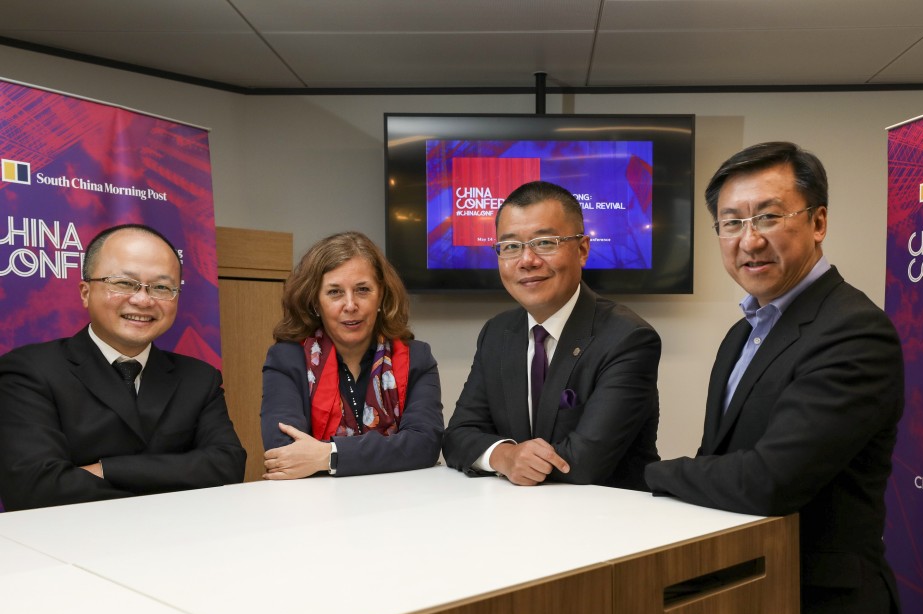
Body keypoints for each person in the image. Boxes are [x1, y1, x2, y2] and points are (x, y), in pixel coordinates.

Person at [645, 142, 906, 614]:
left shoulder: (854, 330)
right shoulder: (743, 333)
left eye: (768, 216)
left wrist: (649, 474)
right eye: (731, 222)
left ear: (818, 222)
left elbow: (771, 480)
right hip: (746, 595)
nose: (750, 239)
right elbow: (719, 459)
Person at [0, 224, 246, 511]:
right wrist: (170, 483)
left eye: (161, 287)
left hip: (181, 543)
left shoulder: (199, 378)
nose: (142, 299)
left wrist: (107, 469)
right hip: (68, 546)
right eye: (123, 283)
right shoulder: (29, 371)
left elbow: (226, 465)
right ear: (85, 292)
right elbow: (35, 487)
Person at [443, 180, 660, 490]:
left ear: (583, 249)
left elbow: (585, 463)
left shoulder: (628, 338)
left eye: (545, 243)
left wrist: (510, 458)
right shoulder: (497, 332)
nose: (527, 260)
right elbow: (457, 437)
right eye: (511, 246)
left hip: (610, 520)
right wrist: (505, 456)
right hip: (517, 516)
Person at [260, 232, 442, 478]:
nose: (350, 305)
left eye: (363, 290)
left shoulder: (416, 358)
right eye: (335, 292)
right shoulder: (286, 360)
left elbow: (425, 444)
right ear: (316, 303)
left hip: (399, 504)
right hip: (317, 508)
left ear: (382, 296)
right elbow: (284, 453)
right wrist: (389, 451)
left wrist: (330, 455)